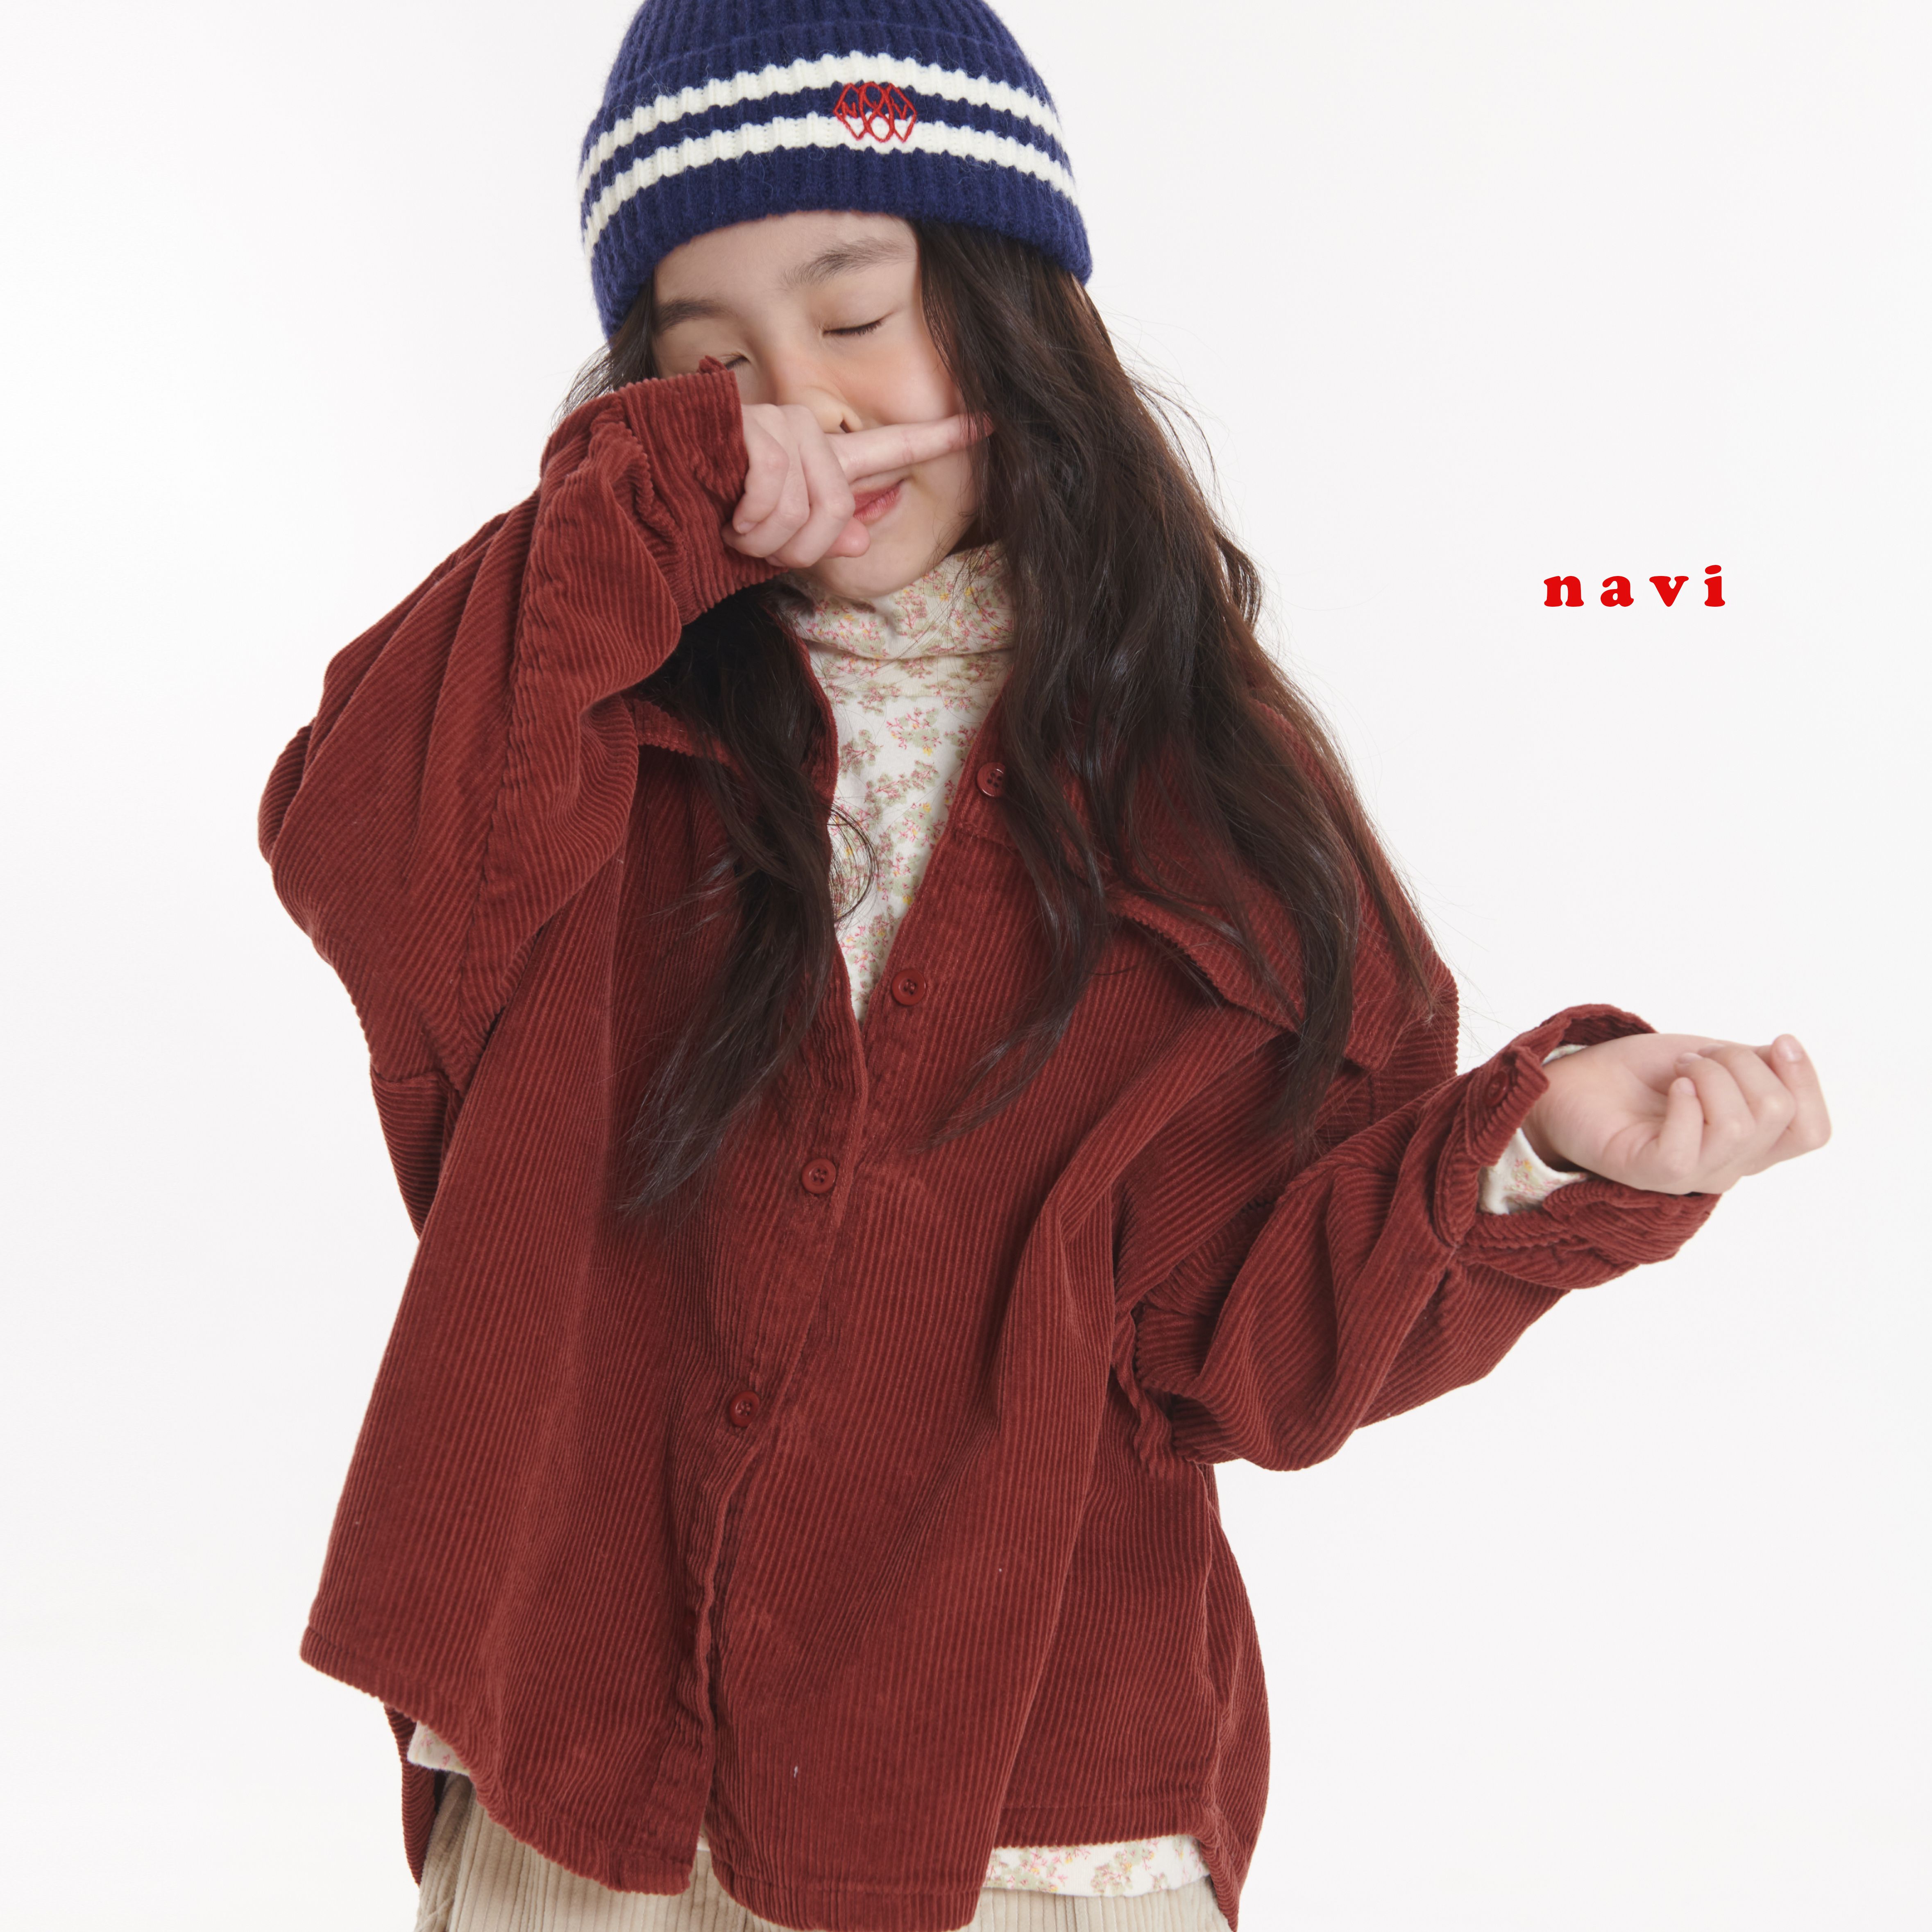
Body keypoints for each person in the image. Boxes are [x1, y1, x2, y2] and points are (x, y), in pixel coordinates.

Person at [258, 2, 1831, 1928]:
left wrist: (1537, 1151)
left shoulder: (1219, 798)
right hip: (585, 1790)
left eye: (855, 313)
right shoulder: (585, 725)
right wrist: (648, 500)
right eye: (710, 366)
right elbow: (364, 846)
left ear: (1012, 318)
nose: (804, 404)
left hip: (1030, 1820)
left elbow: (1251, 1349)